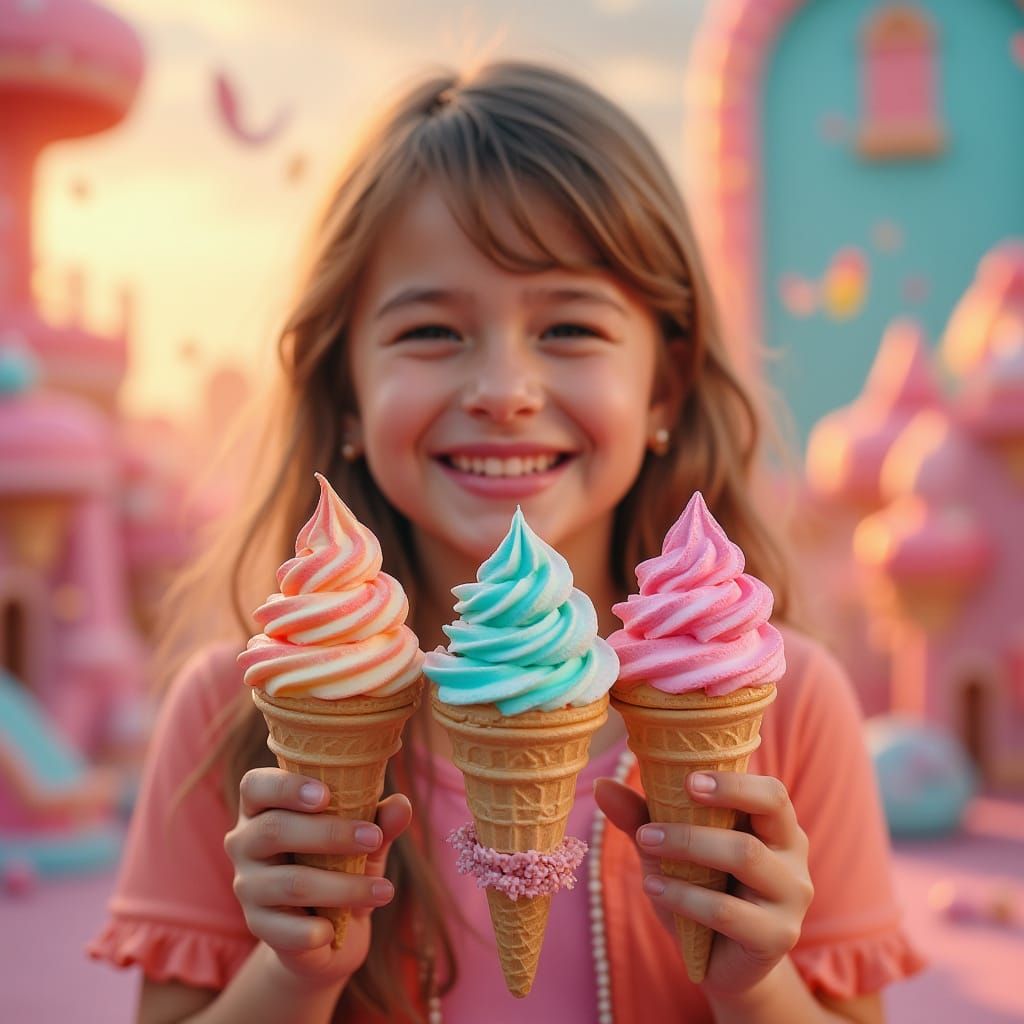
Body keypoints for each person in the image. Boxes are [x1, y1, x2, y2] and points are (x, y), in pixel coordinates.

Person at [90, 61, 924, 1023]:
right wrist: (293, 975)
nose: (504, 388)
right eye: (433, 332)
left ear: (665, 384)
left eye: (569, 326)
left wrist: (756, 987)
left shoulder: (793, 707)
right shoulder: (233, 716)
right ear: (344, 392)